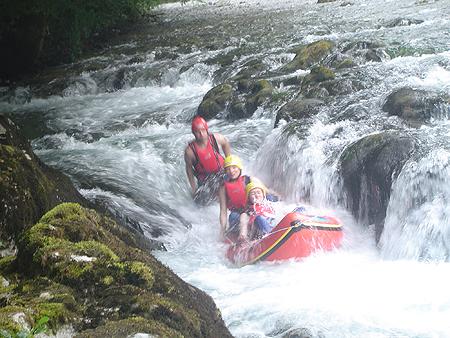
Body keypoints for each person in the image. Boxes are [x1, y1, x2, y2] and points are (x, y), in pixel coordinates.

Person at [184, 116, 231, 204]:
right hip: (205, 179)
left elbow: (225, 142)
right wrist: (194, 189)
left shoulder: (216, 139)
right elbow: (189, 171)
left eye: (203, 130)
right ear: (193, 133)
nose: (201, 134)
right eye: (198, 132)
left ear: (206, 130)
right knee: (201, 202)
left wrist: (229, 162)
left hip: (221, 172)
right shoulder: (190, 151)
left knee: (231, 192)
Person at [218, 155, 251, 239]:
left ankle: (248, 235)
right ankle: (239, 239)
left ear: (239, 168)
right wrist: (222, 230)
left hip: (251, 211)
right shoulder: (223, 187)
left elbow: (261, 191)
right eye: (228, 169)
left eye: (234, 167)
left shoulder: (247, 180)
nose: (231, 171)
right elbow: (223, 211)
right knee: (233, 216)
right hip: (236, 215)